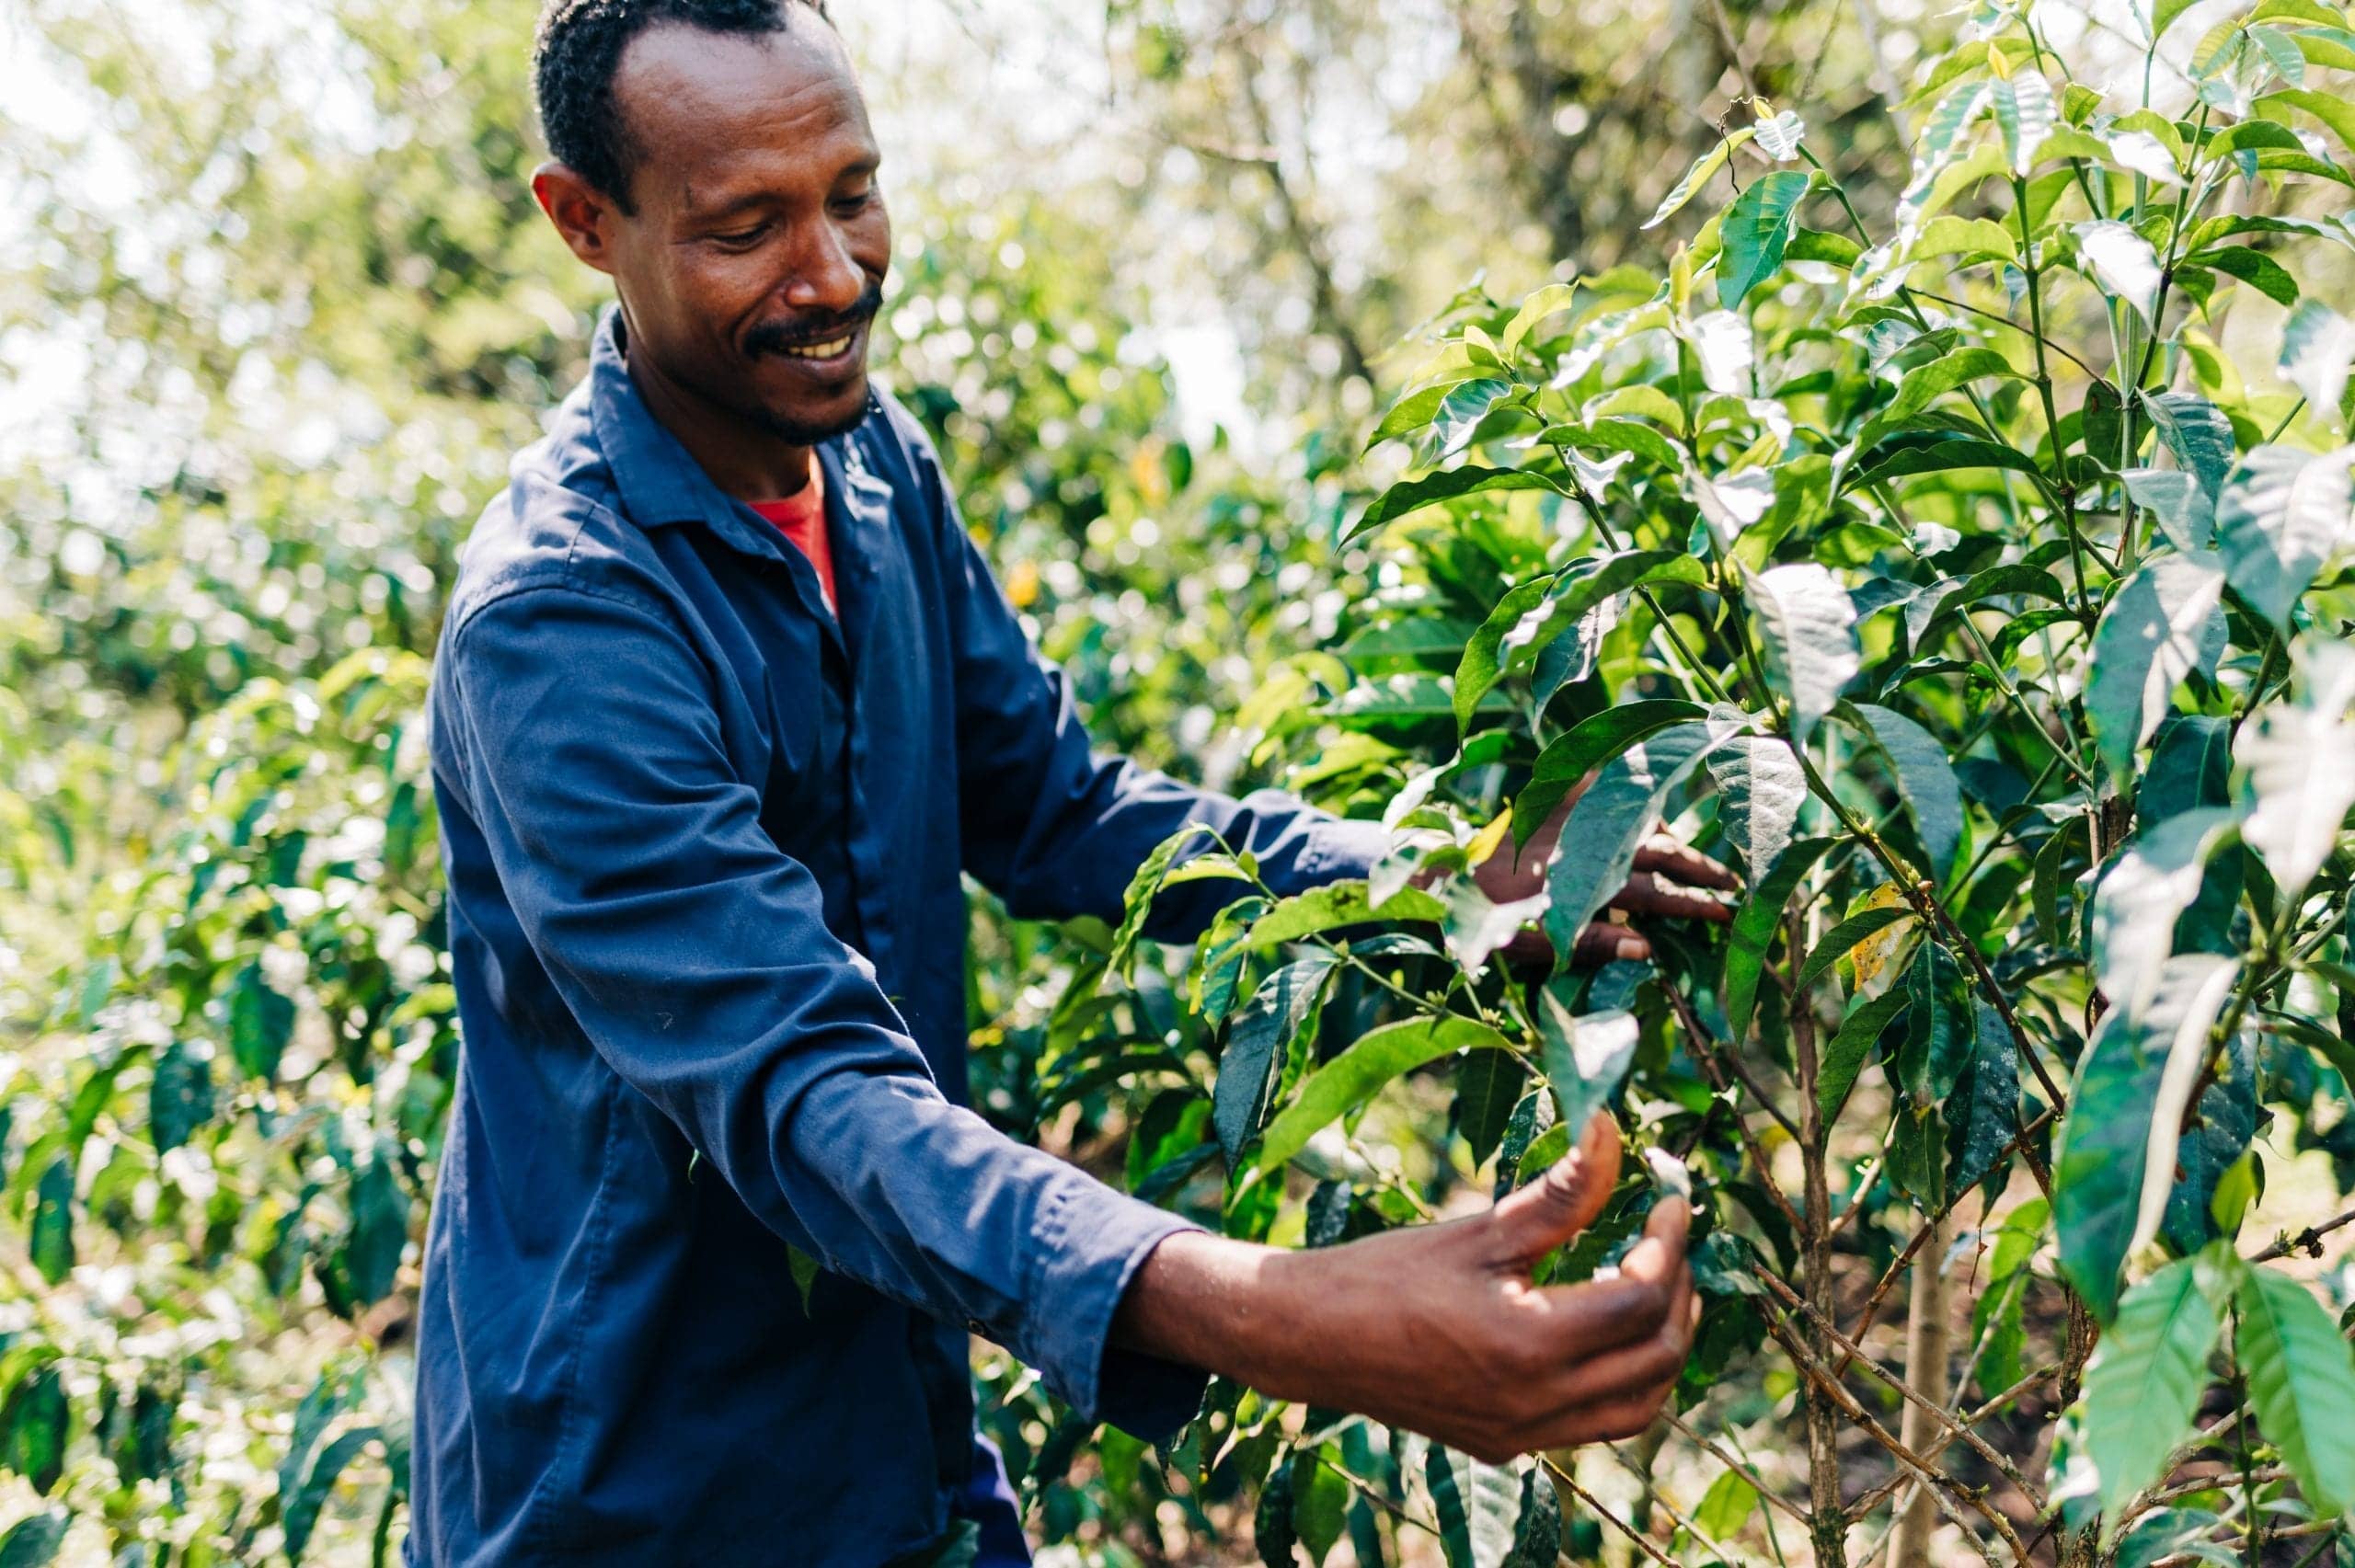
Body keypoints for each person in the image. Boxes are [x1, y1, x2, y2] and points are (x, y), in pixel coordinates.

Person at [409, 2, 1734, 1562]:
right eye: (746, 228)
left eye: (851, 193)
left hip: (892, 1425)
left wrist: (1438, 885)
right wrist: (1275, 1309)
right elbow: (803, 1083)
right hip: (640, 1486)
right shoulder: (561, 625)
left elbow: (1056, 805)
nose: (832, 273)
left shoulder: (871, 464)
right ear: (586, 223)